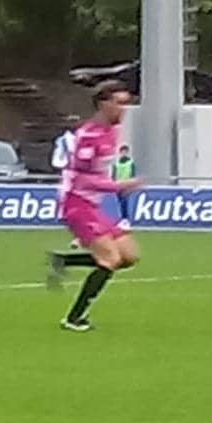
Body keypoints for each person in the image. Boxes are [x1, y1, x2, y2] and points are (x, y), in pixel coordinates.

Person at [45, 81, 142, 331]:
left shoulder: (112, 131)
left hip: (92, 204)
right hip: (76, 204)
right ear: (103, 104)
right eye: (119, 103)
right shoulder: (89, 136)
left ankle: (62, 261)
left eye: (126, 103)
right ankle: (74, 318)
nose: (124, 109)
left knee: (129, 256)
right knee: (109, 258)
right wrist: (118, 186)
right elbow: (81, 178)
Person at [110, 143, 135, 226]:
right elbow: (114, 174)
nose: (123, 153)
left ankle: (126, 218)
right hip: (118, 185)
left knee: (125, 201)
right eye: (122, 152)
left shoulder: (130, 162)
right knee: (120, 202)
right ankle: (122, 218)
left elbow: (132, 174)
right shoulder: (116, 163)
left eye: (125, 151)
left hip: (126, 184)